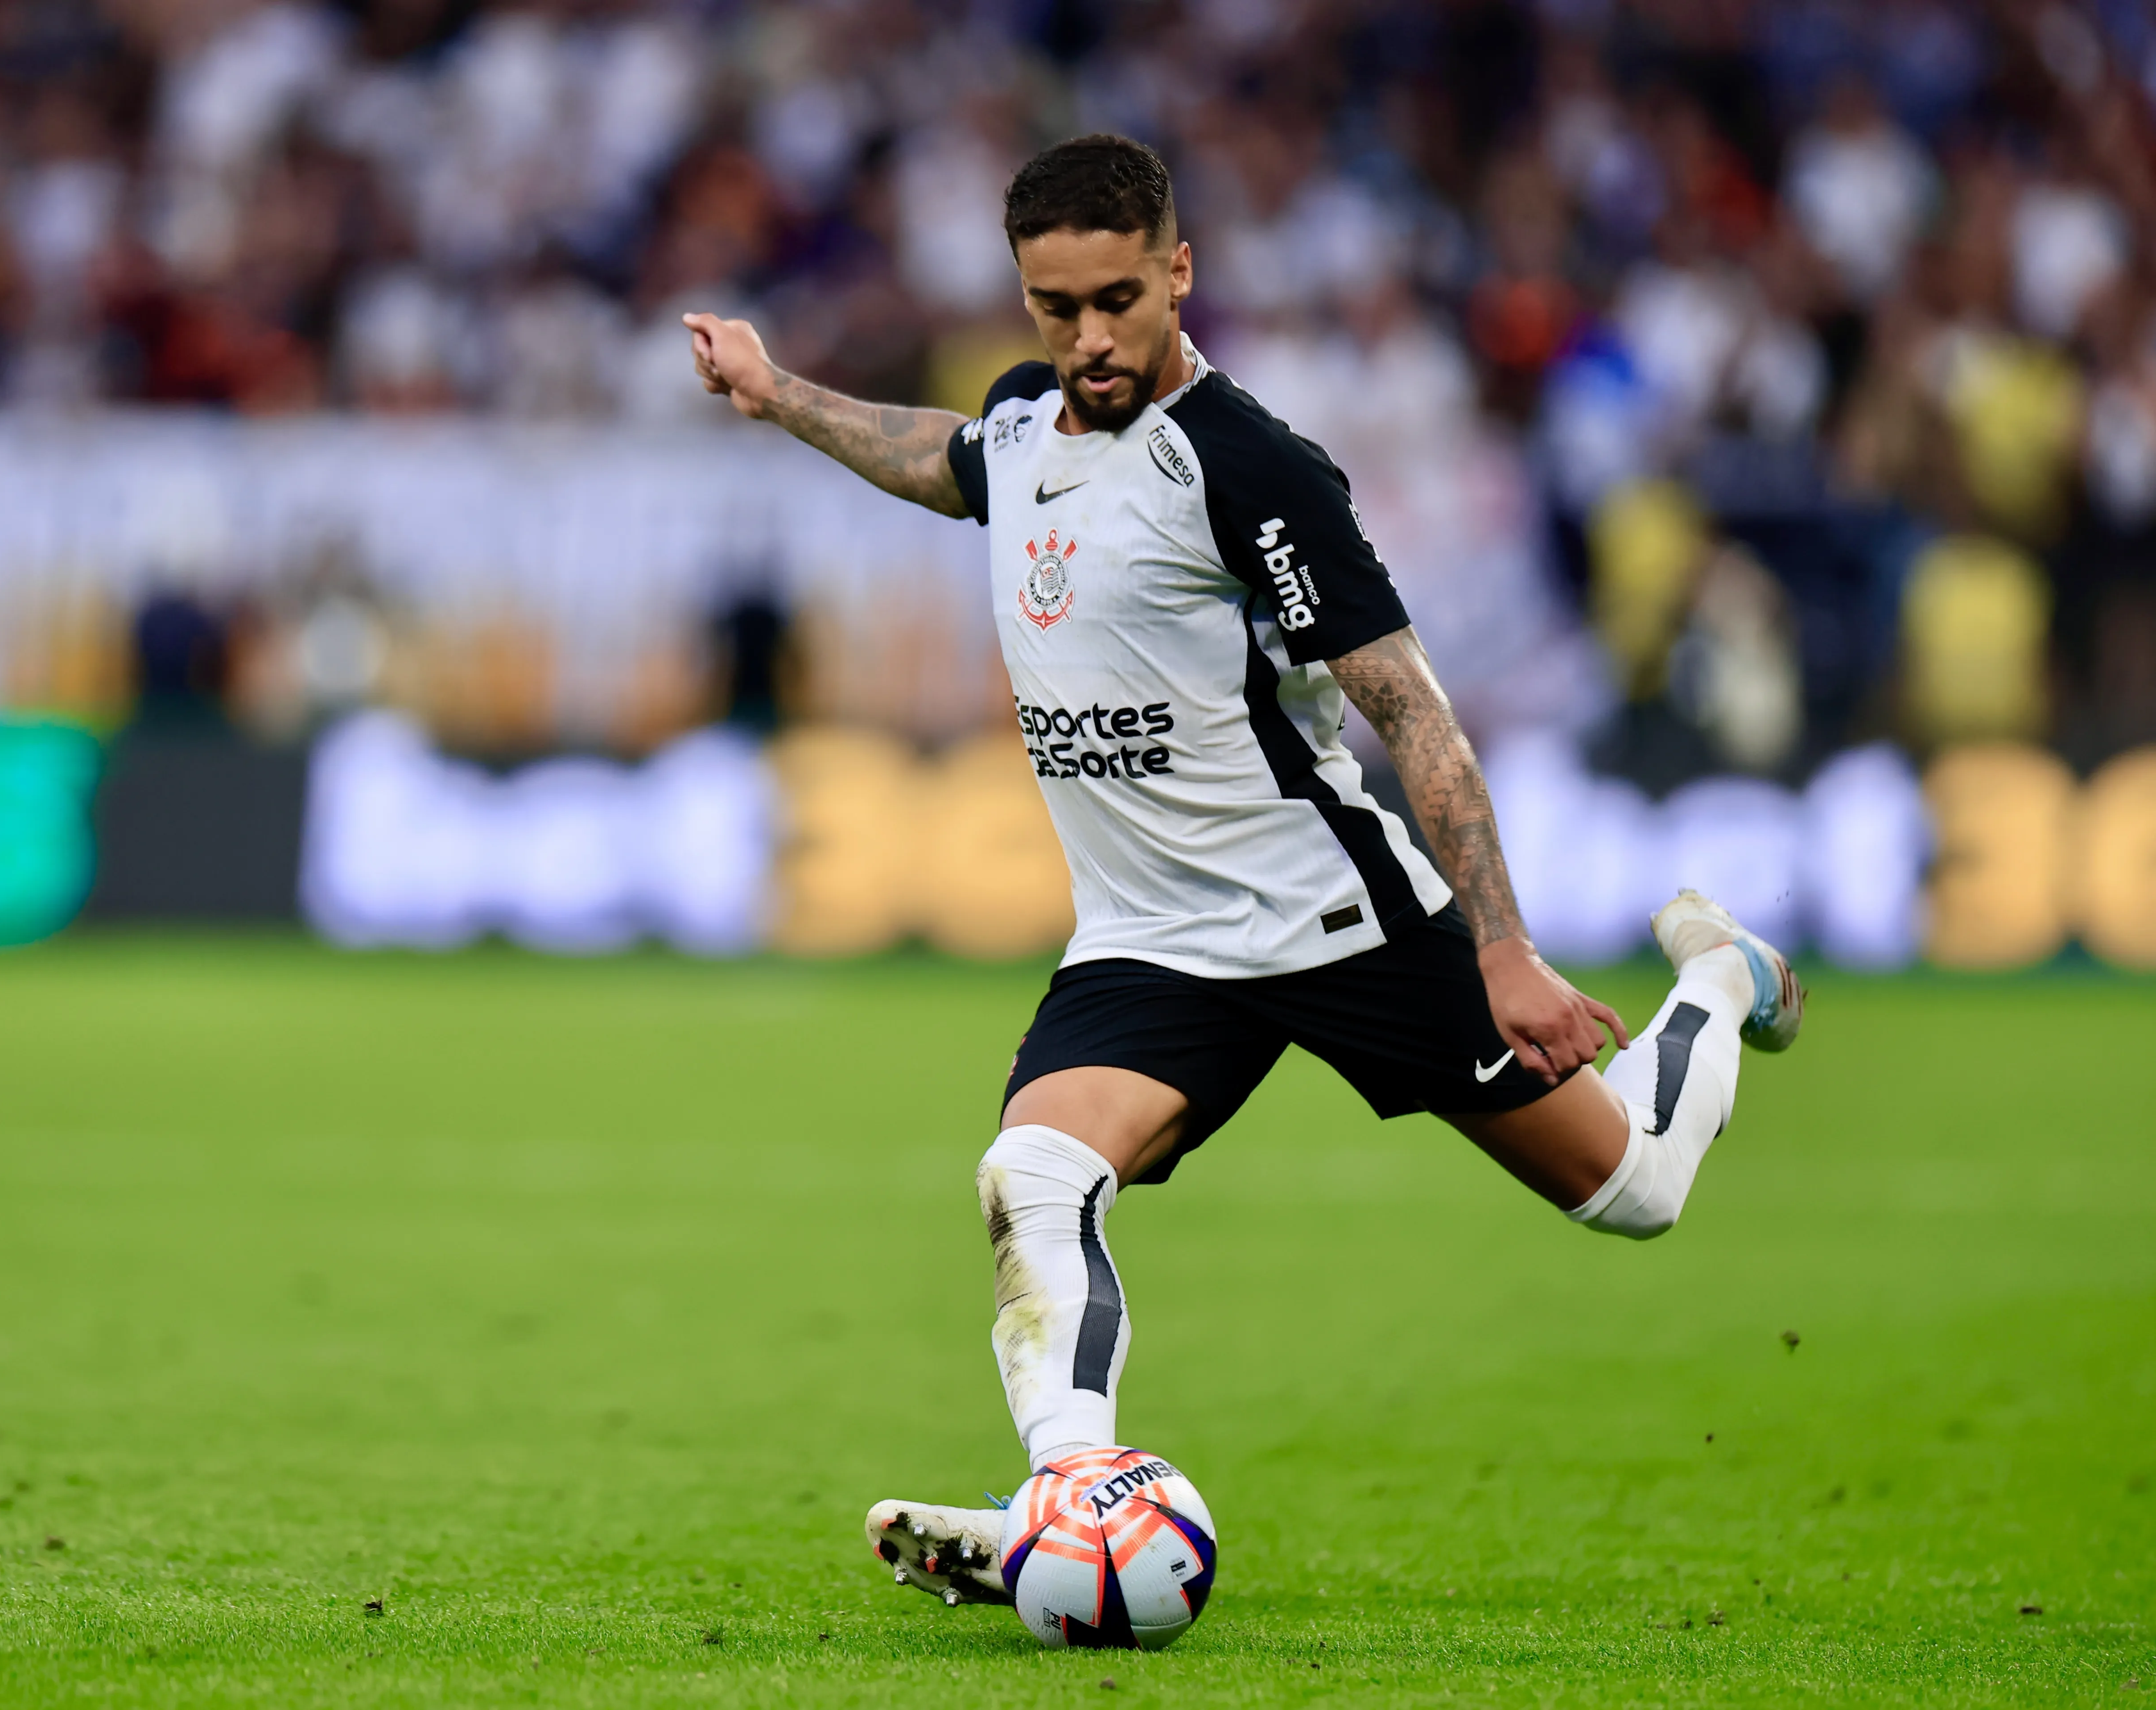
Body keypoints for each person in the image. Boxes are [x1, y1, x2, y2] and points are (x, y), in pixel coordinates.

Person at [684, 134, 1803, 1612]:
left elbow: (1410, 707)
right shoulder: (1027, 424)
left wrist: (1502, 951)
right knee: (1033, 1174)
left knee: (1635, 1194)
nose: (1087, 340)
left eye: (1117, 301)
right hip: (1152, 940)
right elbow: (943, 455)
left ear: (1181, 272)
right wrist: (777, 397)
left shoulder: (1253, 467)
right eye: (1053, 307)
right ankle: (1066, 1492)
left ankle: (1719, 978)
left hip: (1335, 917)